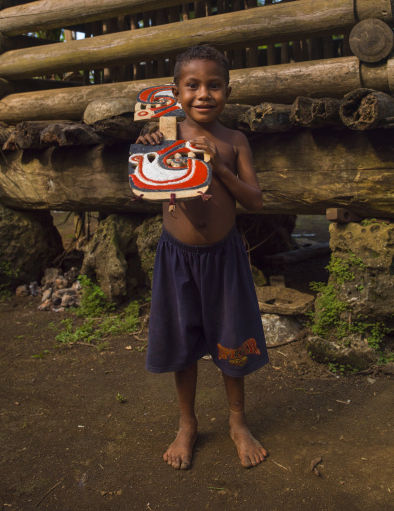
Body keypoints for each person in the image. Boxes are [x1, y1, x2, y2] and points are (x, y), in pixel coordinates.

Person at [136, 44, 269, 470]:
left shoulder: (234, 141)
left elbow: (256, 201)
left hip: (224, 259)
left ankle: (237, 422)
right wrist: (148, 147)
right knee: (183, 341)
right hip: (178, 259)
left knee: (231, 338)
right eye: (192, 85)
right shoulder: (167, 134)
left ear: (227, 91)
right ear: (175, 92)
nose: (203, 94)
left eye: (214, 85)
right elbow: (146, 173)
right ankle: (187, 423)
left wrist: (221, 167)